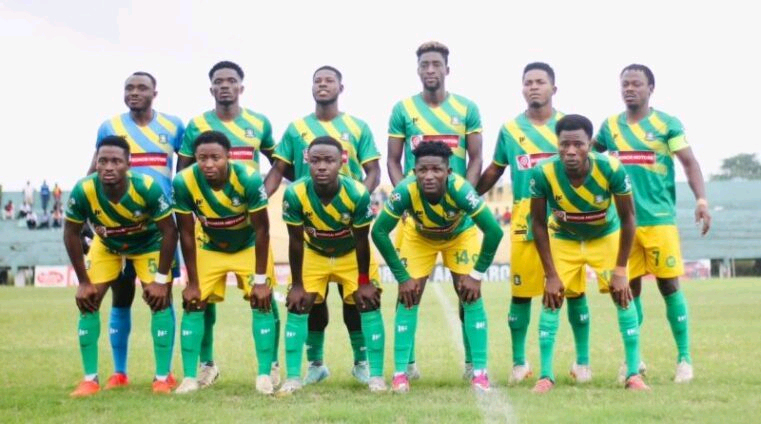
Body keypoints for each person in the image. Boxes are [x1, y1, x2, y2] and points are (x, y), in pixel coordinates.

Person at [476, 62, 594, 384]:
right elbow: (495, 170)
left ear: (553, 88)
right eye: (528, 82)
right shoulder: (510, 130)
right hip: (525, 219)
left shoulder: (568, 128)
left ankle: (582, 362)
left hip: (566, 217)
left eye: (540, 82)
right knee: (521, 293)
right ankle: (519, 363)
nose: (533, 87)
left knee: (574, 292)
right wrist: (467, 196)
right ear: (522, 88)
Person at [264, 65, 381, 386]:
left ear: (342, 87)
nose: (323, 85)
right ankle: (316, 364)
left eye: (329, 80)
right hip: (311, 228)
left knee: (355, 302)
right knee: (312, 302)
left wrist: (355, 201)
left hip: (348, 228)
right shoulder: (296, 129)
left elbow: (373, 170)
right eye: (317, 80)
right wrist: (259, 200)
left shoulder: (358, 127)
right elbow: (278, 169)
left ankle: (362, 363)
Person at [594, 64, 711, 383]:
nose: (629, 89)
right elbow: (590, 157)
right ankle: (634, 360)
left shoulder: (667, 124)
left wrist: (701, 200)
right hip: (622, 224)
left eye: (636, 84)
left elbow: (689, 163)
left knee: (669, 286)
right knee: (626, 290)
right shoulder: (610, 127)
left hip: (659, 220)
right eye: (625, 84)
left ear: (651, 88)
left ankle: (684, 359)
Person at [176, 60, 281, 386]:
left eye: (231, 80)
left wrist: (262, 193)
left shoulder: (258, 122)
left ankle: (271, 365)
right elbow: (183, 171)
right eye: (218, 81)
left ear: (241, 86)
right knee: (199, 298)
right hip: (209, 229)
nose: (225, 85)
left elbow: (279, 162)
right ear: (211, 88)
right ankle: (205, 366)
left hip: (248, 225)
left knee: (264, 295)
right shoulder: (196, 125)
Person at [528, 114, 648, 393]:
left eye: (578, 144)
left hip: (604, 237)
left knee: (623, 296)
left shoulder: (611, 168)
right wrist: (551, 274)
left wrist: (620, 270)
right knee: (551, 299)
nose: (571, 151)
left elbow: (629, 217)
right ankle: (545, 376)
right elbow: (537, 223)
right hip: (564, 238)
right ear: (557, 144)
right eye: (564, 144)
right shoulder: (542, 172)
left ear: (590, 145)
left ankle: (633, 374)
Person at [372, 141, 503, 393]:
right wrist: (401, 276)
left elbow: (494, 231)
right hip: (419, 237)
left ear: (448, 171)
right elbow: (378, 232)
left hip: (459, 235)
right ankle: (401, 373)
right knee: (409, 296)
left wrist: (476, 275)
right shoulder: (405, 190)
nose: (429, 176)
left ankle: (479, 372)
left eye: (436, 170)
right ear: (414, 172)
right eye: (422, 170)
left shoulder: (461, 190)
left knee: (470, 295)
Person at [386, 41, 484, 379]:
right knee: (409, 290)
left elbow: (476, 158)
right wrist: (404, 200)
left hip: (458, 218)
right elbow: (393, 160)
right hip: (416, 218)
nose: (430, 69)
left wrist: (464, 198)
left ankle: (472, 365)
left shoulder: (466, 108)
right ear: (418, 70)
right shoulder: (402, 109)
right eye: (425, 64)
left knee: (466, 289)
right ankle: (408, 365)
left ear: (447, 69)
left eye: (436, 64)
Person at [64, 136, 178, 397]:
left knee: (159, 301)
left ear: (128, 163)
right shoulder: (84, 189)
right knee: (89, 300)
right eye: (103, 161)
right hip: (107, 245)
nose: (108, 167)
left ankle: (163, 377)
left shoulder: (146, 187)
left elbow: (170, 231)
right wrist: (83, 282)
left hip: (149, 244)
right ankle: (90, 379)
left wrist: (161, 280)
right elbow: (70, 233)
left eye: (116, 161)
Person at [92, 71, 185, 390]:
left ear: (154, 93)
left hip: (159, 227)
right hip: (118, 226)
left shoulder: (174, 126)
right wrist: (92, 217)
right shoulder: (110, 127)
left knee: (161, 296)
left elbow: (185, 170)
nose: (134, 92)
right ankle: (119, 372)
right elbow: (94, 171)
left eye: (142, 87)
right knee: (120, 296)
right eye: (129, 87)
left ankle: (164, 374)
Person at [278, 136, 386, 395]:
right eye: (316, 161)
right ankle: (299, 374)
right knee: (300, 304)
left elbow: (362, 241)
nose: (322, 166)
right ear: (307, 161)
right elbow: (295, 241)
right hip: (313, 253)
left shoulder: (357, 193)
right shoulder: (295, 193)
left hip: (351, 253)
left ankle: (371, 372)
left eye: (329, 161)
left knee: (365, 303)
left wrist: (363, 282)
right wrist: (297, 285)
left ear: (341, 162)